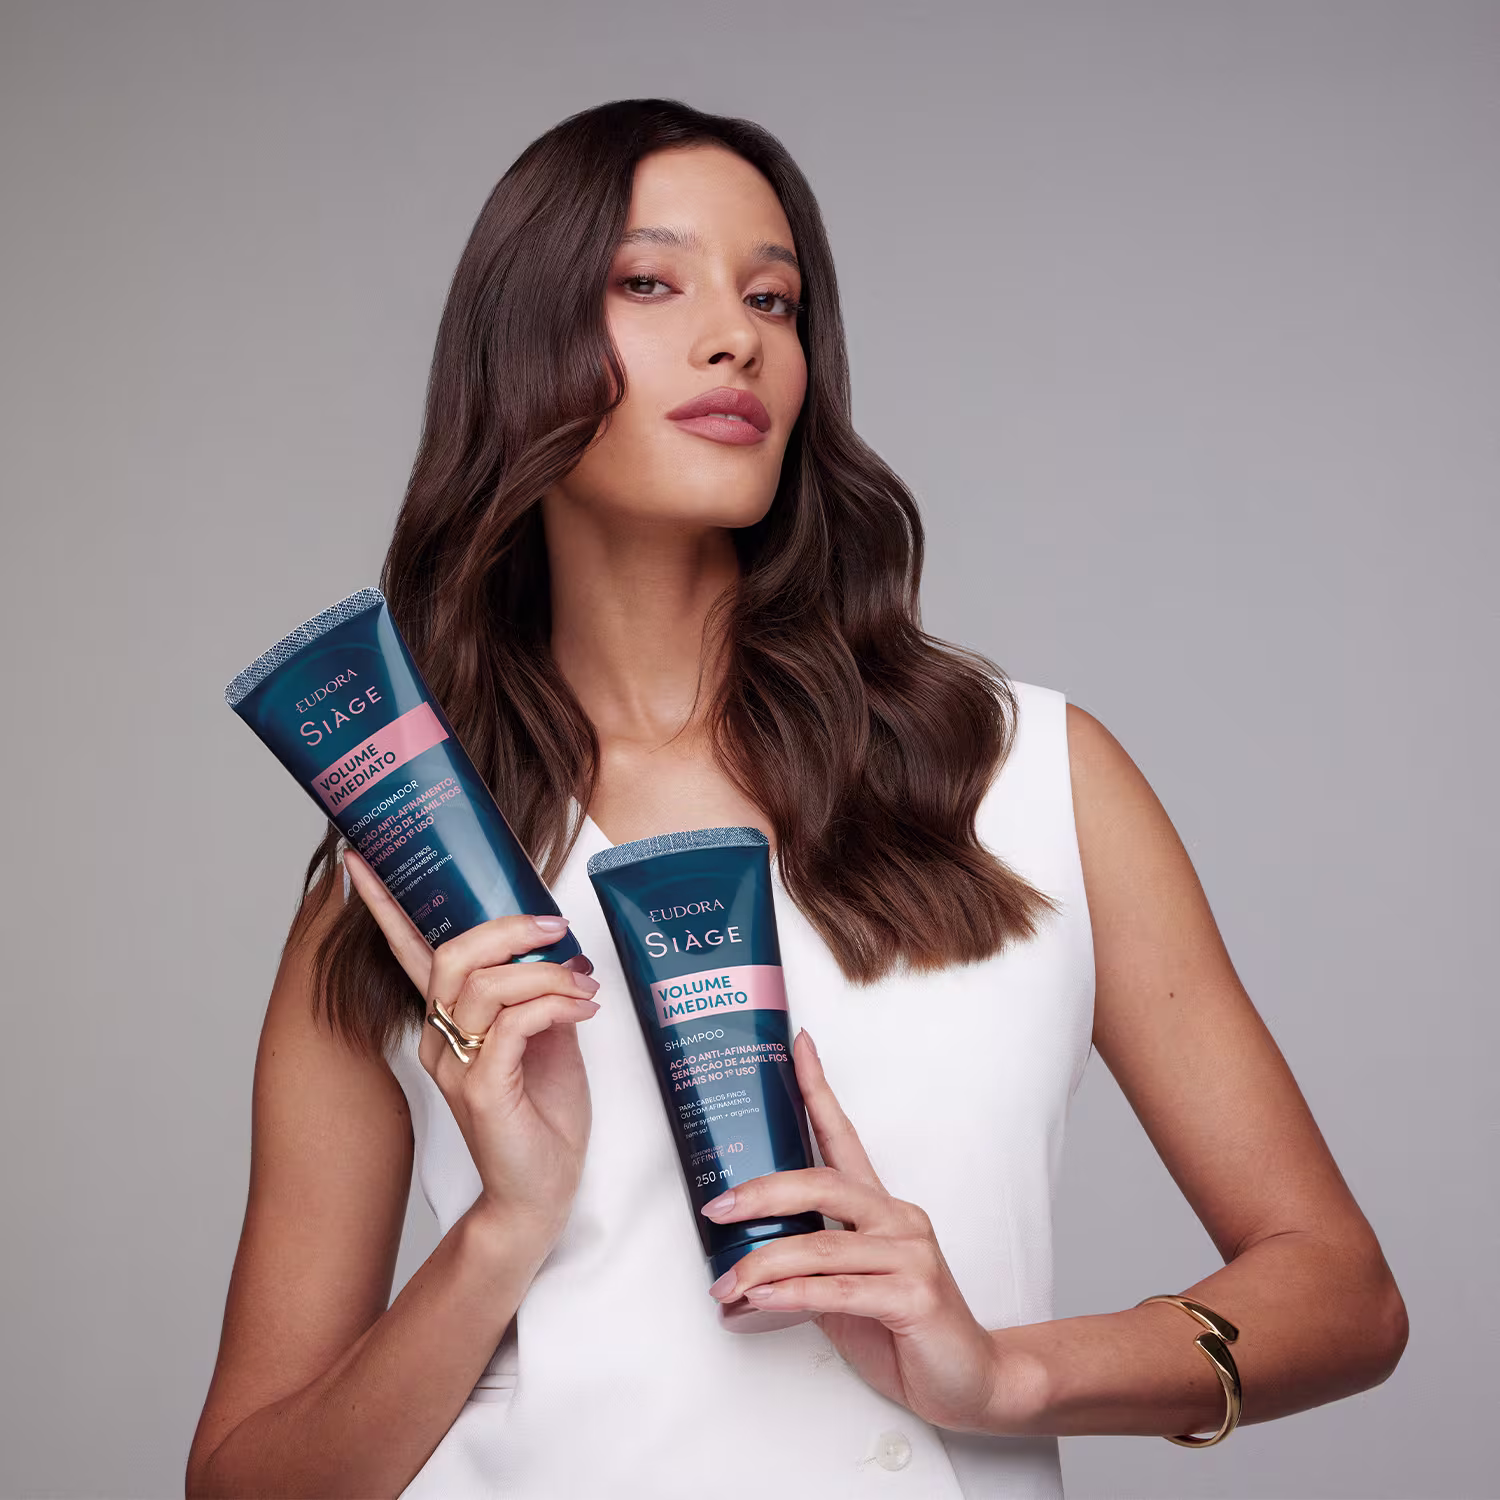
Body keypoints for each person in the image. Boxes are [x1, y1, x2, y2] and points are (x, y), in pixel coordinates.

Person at [185, 98, 1407, 1499]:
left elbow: (1344, 1294)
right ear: (516, 352)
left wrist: (1004, 1376)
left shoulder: (1026, 781)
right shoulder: (408, 881)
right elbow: (242, 1482)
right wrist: (502, 1230)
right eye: (650, 283)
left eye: (774, 299)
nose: (737, 338)